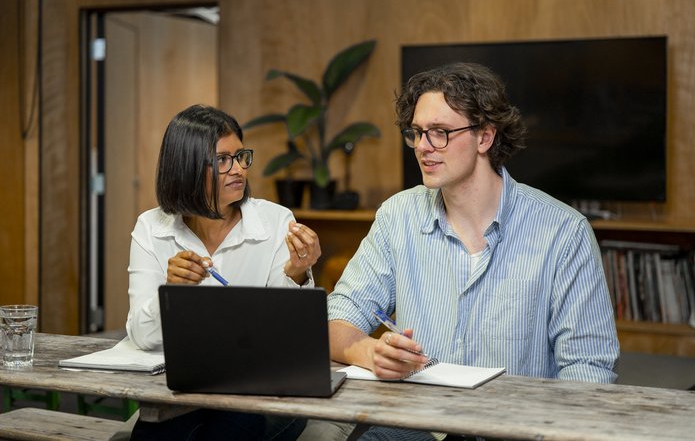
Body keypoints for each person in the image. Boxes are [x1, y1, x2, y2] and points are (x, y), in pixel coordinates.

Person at [327, 63, 620, 440]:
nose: (423, 147)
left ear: (485, 137)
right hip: (416, 424)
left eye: (440, 133)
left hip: (513, 428)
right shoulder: (397, 216)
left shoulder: (563, 233)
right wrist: (371, 354)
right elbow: (336, 324)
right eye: (416, 133)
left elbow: (589, 371)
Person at [126, 104, 320, 440]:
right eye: (222, 160)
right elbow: (142, 336)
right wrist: (174, 292)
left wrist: (297, 272)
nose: (238, 170)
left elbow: (287, 337)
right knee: (152, 433)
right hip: (181, 390)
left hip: (259, 392)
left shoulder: (276, 221)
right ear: (185, 167)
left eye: (241, 156)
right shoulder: (151, 227)